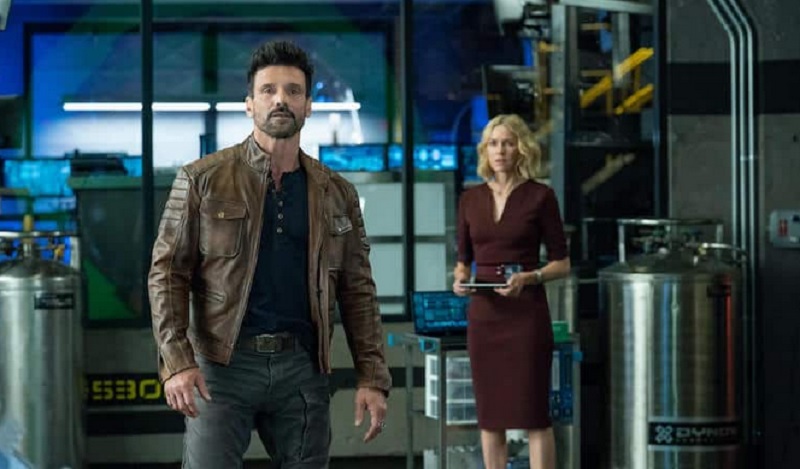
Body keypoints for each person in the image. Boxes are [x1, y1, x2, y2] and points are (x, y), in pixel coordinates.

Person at [148, 40, 391, 468]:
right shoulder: (202, 179)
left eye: (293, 91)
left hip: (302, 368)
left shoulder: (336, 193)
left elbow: (358, 290)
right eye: (268, 90)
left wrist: (372, 376)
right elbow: (167, 274)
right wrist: (177, 361)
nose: (281, 99)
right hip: (222, 367)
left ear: (308, 106)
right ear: (249, 104)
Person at [452, 114, 570, 469]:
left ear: (521, 148)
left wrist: (529, 278)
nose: (500, 150)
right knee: (491, 416)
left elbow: (563, 264)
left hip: (526, 315)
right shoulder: (470, 199)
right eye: (493, 143)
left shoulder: (541, 196)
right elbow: (463, 261)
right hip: (485, 317)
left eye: (507, 143)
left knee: (534, 414)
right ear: (485, 150)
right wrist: (460, 280)